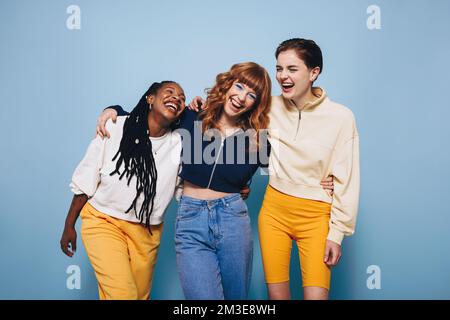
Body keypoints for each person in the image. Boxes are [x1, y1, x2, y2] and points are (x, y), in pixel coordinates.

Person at [97, 62, 334, 300]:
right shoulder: (190, 117)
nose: (241, 97)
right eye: (239, 86)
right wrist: (114, 109)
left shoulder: (259, 139)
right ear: (227, 84)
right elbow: (148, 117)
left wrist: (322, 179)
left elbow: (292, 166)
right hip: (190, 220)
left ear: (256, 103)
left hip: (233, 220)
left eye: (251, 95)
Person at [189, 38, 359, 300]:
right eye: (279, 69)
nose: (283, 76)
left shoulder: (341, 117)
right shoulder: (267, 106)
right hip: (274, 212)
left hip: (317, 216)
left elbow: (347, 178)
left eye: (292, 69)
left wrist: (337, 232)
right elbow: (231, 117)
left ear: (314, 72)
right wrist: (199, 106)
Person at [60, 81, 186, 300]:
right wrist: (69, 224)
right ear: (150, 99)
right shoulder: (115, 126)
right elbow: (86, 178)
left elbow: (188, 188)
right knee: (123, 295)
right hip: (104, 222)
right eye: (170, 92)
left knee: (138, 296)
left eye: (182, 98)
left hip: (148, 232)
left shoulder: (180, 144)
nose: (177, 98)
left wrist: (233, 185)